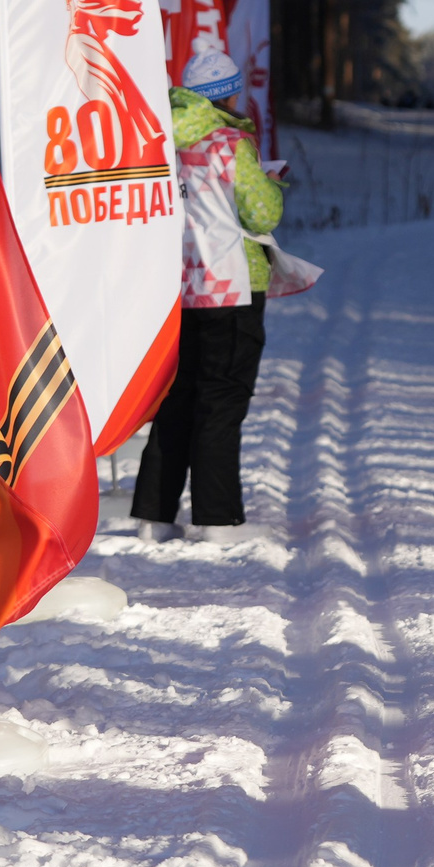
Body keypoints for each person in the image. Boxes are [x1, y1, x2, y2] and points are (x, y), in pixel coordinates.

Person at [132, 49, 283, 543]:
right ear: (228, 96)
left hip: (178, 288)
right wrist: (270, 185)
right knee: (221, 402)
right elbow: (262, 215)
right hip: (232, 286)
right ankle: (218, 522)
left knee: (177, 401)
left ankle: (154, 517)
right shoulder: (230, 143)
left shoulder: (158, 140)